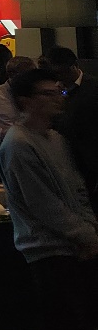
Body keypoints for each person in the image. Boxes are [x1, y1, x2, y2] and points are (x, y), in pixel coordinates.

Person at [0, 68, 98, 330]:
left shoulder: (56, 139)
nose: (58, 100)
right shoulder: (18, 145)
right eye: (48, 94)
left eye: (59, 93)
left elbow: (77, 192)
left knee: (72, 324)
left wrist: (89, 231)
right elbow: (42, 205)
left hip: (76, 243)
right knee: (71, 329)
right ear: (26, 100)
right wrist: (83, 234)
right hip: (47, 249)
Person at [43, 47, 98, 213]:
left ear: (74, 66)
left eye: (62, 72)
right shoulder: (53, 90)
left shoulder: (93, 88)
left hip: (90, 158)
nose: (59, 77)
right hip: (64, 156)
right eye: (55, 73)